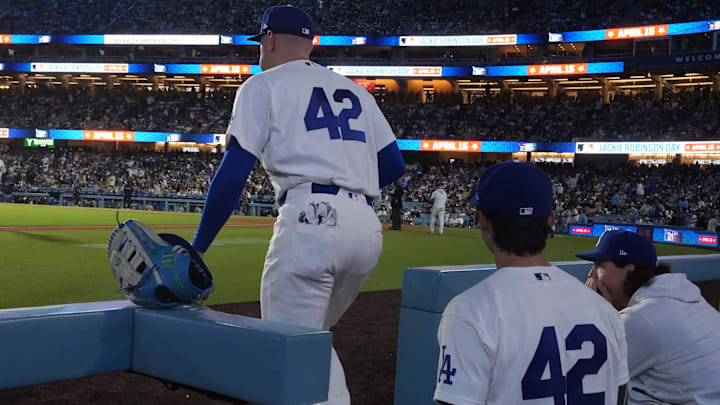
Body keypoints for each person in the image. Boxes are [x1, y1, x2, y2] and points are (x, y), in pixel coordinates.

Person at [190, 6, 405, 404]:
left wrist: (198, 245)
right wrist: (349, 181)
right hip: (365, 228)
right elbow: (393, 163)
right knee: (311, 341)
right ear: (310, 43)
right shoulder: (356, 90)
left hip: (310, 222)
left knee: (287, 351)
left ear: (269, 39)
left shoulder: (263, 84)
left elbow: (235, 172)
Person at [435, 161, 628, 405]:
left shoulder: (470, 310)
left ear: (482, 220)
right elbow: (620, 396)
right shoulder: (606, 312)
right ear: (551, 219)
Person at [578, 230, 720, 404]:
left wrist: (593, 310)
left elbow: (583, 378)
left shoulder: (642, 318)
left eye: (600, 265)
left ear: (629, 268)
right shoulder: (678, 296)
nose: (591, 274)